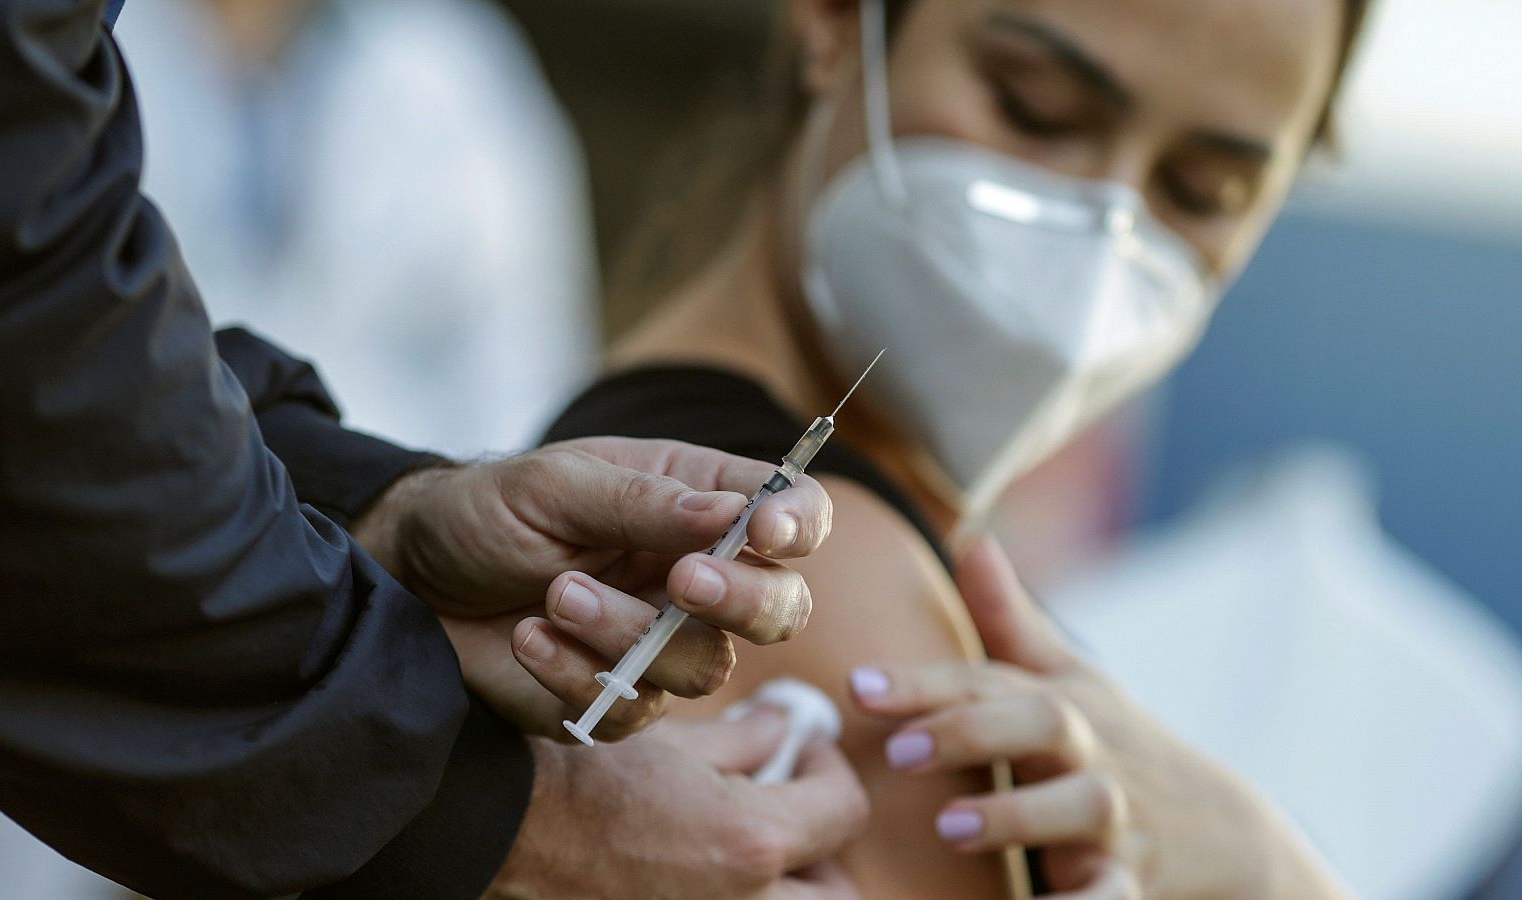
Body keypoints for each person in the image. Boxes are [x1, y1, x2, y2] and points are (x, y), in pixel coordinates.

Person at [0, 1, 866, 897]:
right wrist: (493, 810)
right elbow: (4, 357)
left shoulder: (449, 78)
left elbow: (100, 380)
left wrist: (385, 516)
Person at [541, 0, 1372, 894]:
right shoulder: (828, 575)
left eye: (1204, 189)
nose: (1102, 240)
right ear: (833, 20)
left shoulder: (638, 443)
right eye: (1033, 105)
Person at [116, 0, 597, 458]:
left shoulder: (448, 64)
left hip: (396, 519)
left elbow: (524, 355)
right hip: (143, 500)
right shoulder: (82, 51)